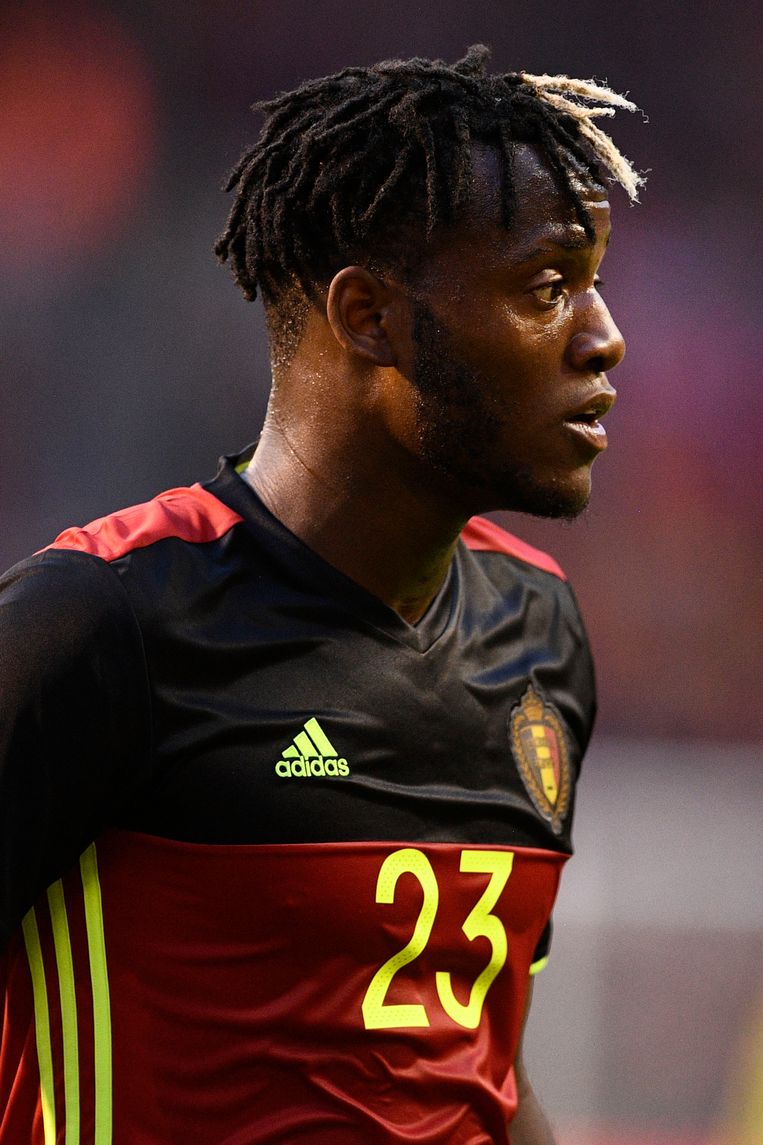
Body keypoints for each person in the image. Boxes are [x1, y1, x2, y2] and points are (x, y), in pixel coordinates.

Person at [0, 45, 643, 1145]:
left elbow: (476, 1060)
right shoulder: (107, 624)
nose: (603, 336)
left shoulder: (537, 627)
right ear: (369, 315)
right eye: (548, 287)